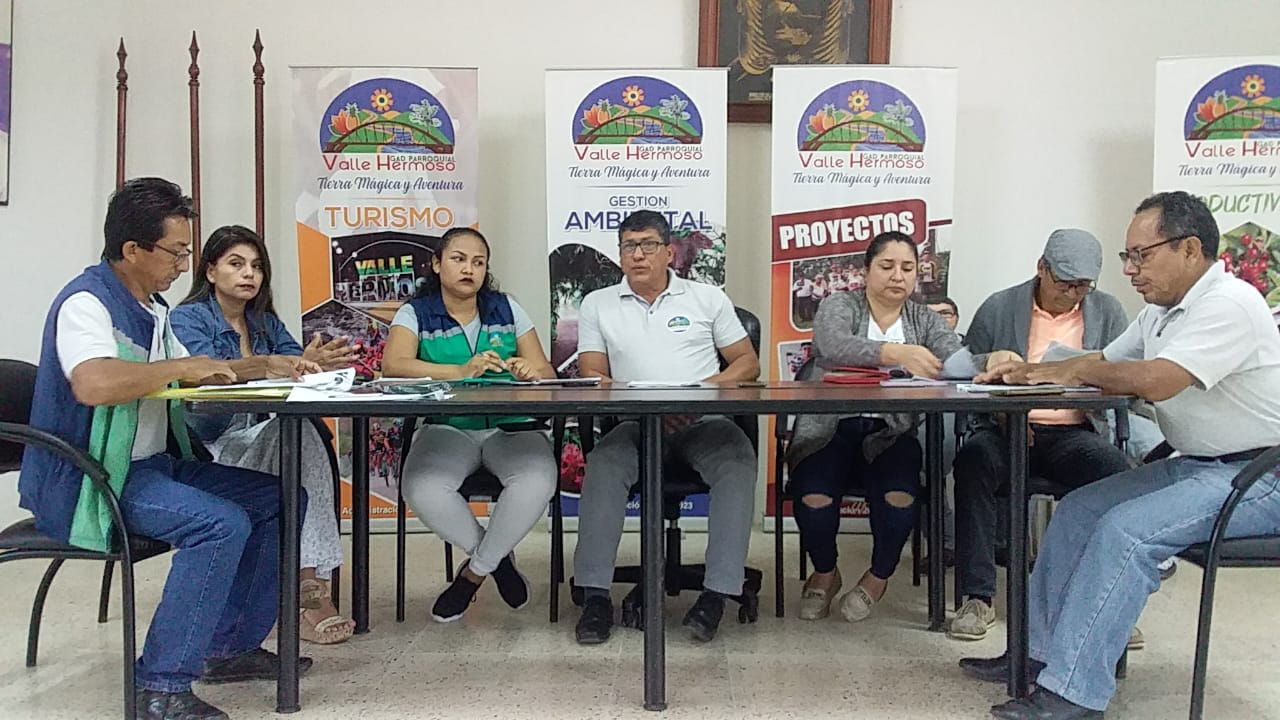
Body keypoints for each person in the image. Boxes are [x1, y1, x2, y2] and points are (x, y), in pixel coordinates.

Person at [961, 191, 1280, 720]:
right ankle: (1037, 656)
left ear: (1189, 249)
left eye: (1141, 255)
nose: (1130, 270)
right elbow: (1102, 360)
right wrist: (1032, 371)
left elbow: (1155, 381)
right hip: (1200, 464)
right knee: (1079, 510)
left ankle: (1075, 694)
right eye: (1127, 256)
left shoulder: (1230, 304)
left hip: (1259, 475)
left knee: (1124, 532)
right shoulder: (1161, 313)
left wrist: (1072, 369)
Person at [19, 178, 312, 720]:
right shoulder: (87, 302)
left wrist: (265, 365)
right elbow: (94, 383)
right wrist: (182, 365)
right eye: (176, 252)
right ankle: (160, 685)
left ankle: (229, 647)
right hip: (94, 477)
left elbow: (197, 372)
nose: (183, 265)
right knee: (219, 524)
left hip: (150, 465)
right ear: (133, 249)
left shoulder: (151, 306)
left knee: (281, 498)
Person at [786, 231, 1016, 622]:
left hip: (891, 432)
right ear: (866, 271)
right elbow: (832, 344)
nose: (898, 275)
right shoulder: (839, 304)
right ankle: (825, 572)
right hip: (829, 428)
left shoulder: (924, 319)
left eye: (907, 268)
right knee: (813, 498)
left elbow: (956, 363)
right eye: (887, 266)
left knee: (900, 499)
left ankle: (878, 577)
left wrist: (993, 360)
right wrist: (894, 353)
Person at [572, 210, 760, 645]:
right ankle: (595, 597)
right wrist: (640, 403)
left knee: (737, 463)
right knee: (603, 465)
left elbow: (747, 363)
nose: (638, 255)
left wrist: (697, 396)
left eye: (648, 245)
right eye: (629, 246)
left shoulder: (707, 298)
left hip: (703, 420)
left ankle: (715, 596)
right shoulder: (598, 303)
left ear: (669, 252)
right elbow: (592, 373)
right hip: (635, 422)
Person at [170, 225, 358, 645]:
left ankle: (308, 582)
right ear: (210, 271)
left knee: (302, 431)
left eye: (256, 267)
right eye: (236, 264)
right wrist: (267, 365)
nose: (248, 274)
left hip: (259, 437)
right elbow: (205, 372)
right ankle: (309, 590)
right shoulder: (187, 318)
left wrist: (310, 363)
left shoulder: (264, 322)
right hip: (211, 449)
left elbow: (292, 365)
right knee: (297, 435)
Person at [948, 230, 1132, 642]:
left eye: (1082, 286)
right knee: (973, 462)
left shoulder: (1107, 312)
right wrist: (993, 372)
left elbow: (1124, 372)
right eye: (1064, 282)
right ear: (1041, 268)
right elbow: (962, 366)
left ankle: (1105, 600)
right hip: (1006, 428)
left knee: (1116, 472)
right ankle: (977, 596)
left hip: (1074, 431)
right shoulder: (1000, 306)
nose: (1072, 293)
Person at [382, 227, 558, 623]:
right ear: (437, 264)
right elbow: (393, 366)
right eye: (459, 259)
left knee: (537, 481)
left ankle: (474, 574)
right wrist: (460, 371)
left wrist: (530, 371)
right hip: (448, 426)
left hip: (511, 426)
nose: (469, 269)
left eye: (478, 263)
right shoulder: (416, 312)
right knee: (421, 487)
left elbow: (545, 370)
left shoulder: (506, 308)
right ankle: (498, 560)